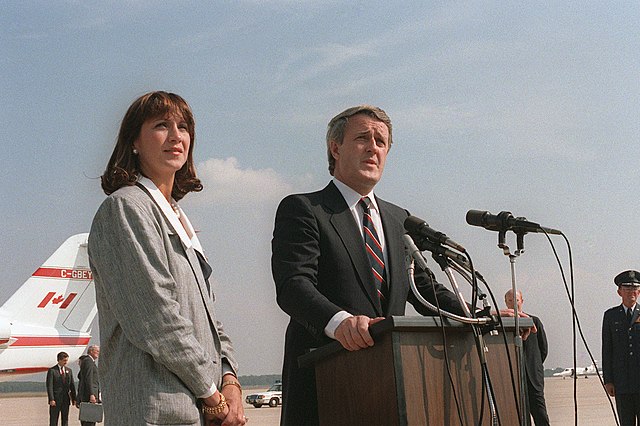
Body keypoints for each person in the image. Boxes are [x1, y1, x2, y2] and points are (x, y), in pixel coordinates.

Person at [271, 105, 465, 425]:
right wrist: (341, 322)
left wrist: (478, 317)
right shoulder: (305, 209)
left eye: (381, 141)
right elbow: (293, 285)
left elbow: (425, 288)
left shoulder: (400, 219)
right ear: (336, 147)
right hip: (326, 385)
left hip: (391, 388)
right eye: (363, 138)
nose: (373, 147)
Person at [88, 91, 246, 425]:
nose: (176, 136)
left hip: (197, 407)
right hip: (155, 409)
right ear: (134, 141)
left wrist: (230, 377)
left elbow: (209, 319)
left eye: (184, 127)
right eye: (162, 125)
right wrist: (213, 396)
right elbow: (155, 318)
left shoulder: (178, 217)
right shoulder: (127, 207)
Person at [503, 289, 550, 425]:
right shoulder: (503, 324)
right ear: (506, 303)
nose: (514, 304)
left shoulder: (533, 321)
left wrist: (533, 364)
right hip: (513, 376)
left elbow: (543, 349)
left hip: (533, 376)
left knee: (540, 413)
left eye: (516, 300)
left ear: (522, 301)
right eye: (510, 301)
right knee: (520, 414)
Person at [602, 270, 640, 426]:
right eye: (626, 288)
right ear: (619, 291)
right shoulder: (611, 316)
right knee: (625, 422)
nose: (631, 292)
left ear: (639, 291)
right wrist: (608, 380)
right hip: (622, 382)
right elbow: (607, 350)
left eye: (634, 288)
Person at [46, 351, 76, 426]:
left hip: (66, 399)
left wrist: (74, 398)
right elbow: (49, 386)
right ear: (59, 360)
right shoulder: (52, 371)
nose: (66, 362)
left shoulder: (69, 371)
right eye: (64, 360)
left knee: (65, 419)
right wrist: (51, 399)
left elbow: (72, 385)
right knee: (54, 420)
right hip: (56, 400)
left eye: (67, 360)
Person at [77, 345, 101, 426]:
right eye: (97, 351)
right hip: (89, 395)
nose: (98, 353)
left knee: (90, 419)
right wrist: (91, 394)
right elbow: (88, 378)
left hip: (91, 394)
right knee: (89, 420)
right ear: (91, 351)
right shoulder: (88, 361)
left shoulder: (89, 361)